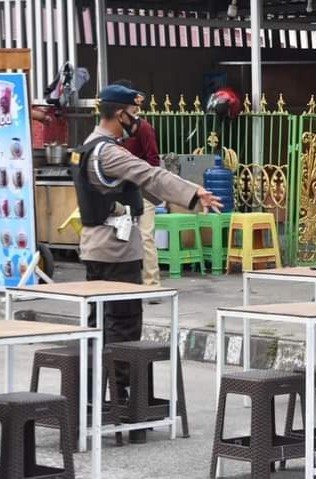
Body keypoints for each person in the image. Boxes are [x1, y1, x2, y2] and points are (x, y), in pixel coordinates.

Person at [71, 84, 222, 442]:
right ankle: (120, 398)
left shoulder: (88, 148)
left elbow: (140, 184)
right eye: (133, 114)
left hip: (96, 247)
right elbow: (149, 174)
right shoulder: (108, 152)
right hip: (115, 250)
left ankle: (97, 395)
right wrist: (193, 192)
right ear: (119, 113)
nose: (136, 120)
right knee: (123, 325)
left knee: (98, 325)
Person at [112, 79, 162, 302]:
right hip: (121, 189)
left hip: (141, 188)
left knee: (145, 236)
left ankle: (152, 284)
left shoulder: (144, 128)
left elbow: (153, 160)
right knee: (119, 236)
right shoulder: (114, 131)